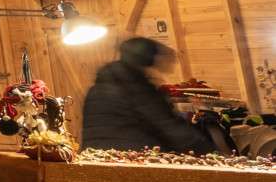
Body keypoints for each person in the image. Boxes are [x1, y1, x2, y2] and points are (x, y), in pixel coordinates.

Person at [81, 37, 213, 153]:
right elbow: (169, 127)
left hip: (96, 158)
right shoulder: (136, 88)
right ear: (145, 61)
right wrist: (212, 152)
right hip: (132, 160)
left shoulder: (97, 88)